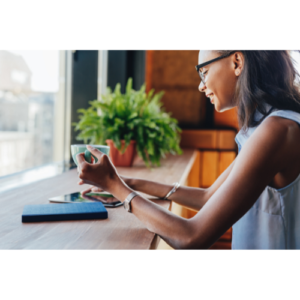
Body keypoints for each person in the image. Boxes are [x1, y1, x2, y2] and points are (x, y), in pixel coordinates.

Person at [77, 49, 300, 251]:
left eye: (204, 71)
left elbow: (191, 238)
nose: (200, 85)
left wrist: (116, 188)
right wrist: (125, 183)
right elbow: (208, 197)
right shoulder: (268, 127)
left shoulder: (277, 131)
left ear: (237, 62)